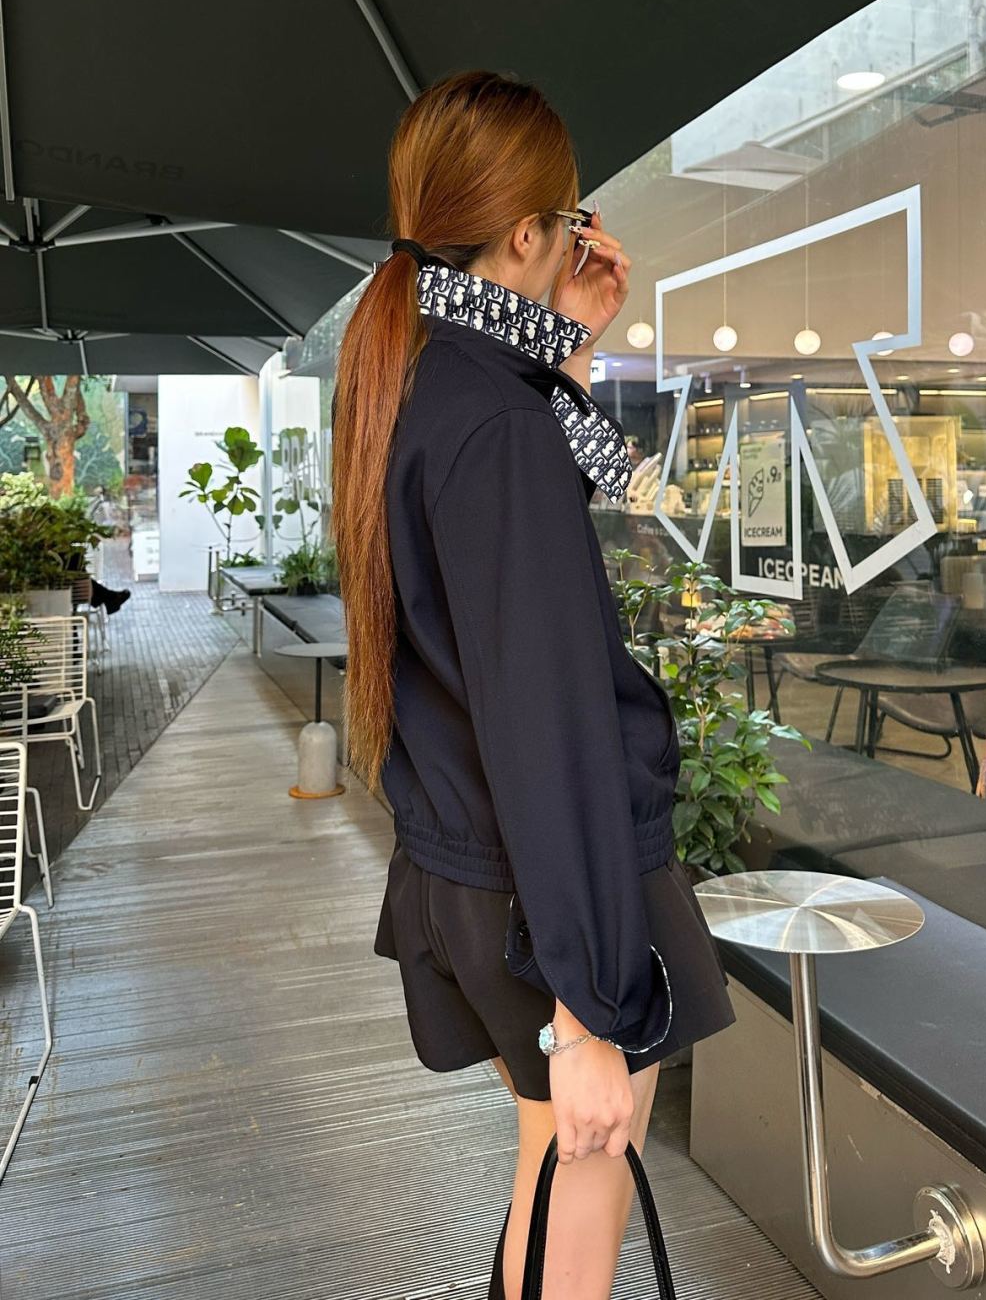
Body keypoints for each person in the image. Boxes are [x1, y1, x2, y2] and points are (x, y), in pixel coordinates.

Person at [331, 71, 735, 1300]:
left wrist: (568, 342)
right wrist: (591, 1010)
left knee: (548, 1175)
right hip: (553, 888)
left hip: (485, 874)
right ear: (526, 233)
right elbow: (546, 720)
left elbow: (541, 509)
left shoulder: (420, 377)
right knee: (578, 1202)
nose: (578, 241)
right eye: (569, 220)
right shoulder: (492, 416)